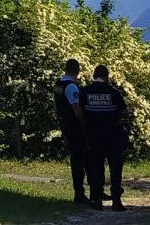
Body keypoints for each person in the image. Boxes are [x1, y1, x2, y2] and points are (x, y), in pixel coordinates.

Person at [82, 64, 128, 211]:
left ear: (94, 76)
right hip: (113, 135)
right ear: (107, 77)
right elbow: (124, 111)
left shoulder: (86, 91)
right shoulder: (113, 91)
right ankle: (116, 201)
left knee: (96, 166)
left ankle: (97, 200)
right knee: (115, 168)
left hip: (94, 135)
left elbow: (80, 112)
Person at [53, 58, 88, 204]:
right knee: (81, 160)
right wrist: (86, 125)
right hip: (75, 127)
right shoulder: (72, 87)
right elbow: (77, 110)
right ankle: (80, 194)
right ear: (77, 71)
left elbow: (56, 105)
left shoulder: (58, 84)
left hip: (65, 124)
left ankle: (79, 192)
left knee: (76, 160)